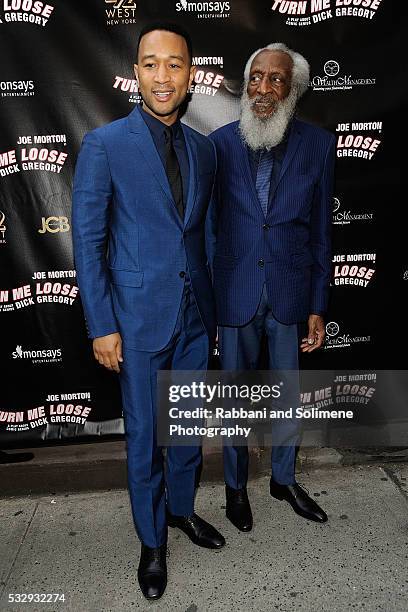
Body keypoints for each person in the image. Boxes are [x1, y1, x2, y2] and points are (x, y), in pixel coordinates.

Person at [72, 22, 225, 601]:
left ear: (190, 74)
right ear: (136, 72)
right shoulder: (106, 145)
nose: (163, 77)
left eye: (175, 65)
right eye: (151, 64)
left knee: (186, 428)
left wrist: (210, 313)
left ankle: (182, 512)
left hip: (193, 318)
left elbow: (205, 236)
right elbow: (88, 243)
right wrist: (102, 324)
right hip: (135, 320)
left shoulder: (205, 150)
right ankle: (152, 542)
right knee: (145, 435)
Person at [208, 42, 335, 532]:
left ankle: (284, 479)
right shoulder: (216, 144)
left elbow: (323, 232)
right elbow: (210, 230)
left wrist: (318, 305)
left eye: (276, 79)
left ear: (293, 89)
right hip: (234, 293)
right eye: (256, 77)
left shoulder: (319, 147)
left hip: (289, 293)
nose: (264, 87)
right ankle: (235, 489)